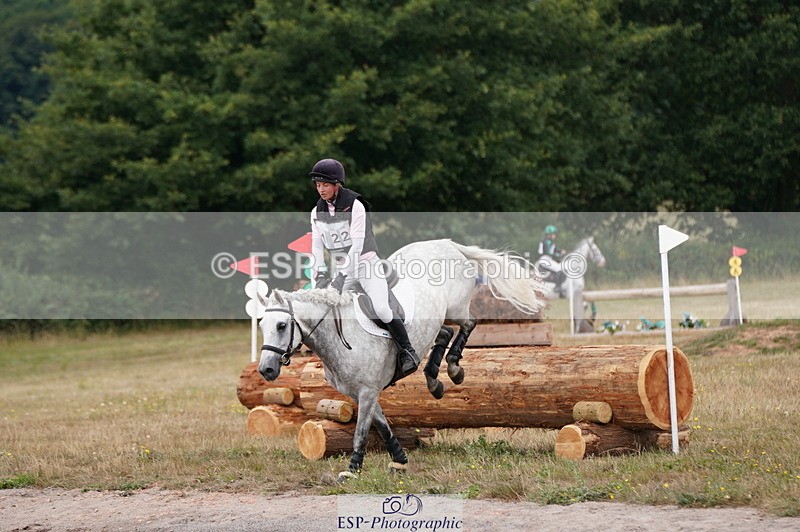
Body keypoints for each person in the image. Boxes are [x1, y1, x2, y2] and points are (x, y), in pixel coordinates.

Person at [308, 158, 420, 380]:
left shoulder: (355, 205)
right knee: (323, 306)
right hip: (341, 267)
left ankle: (408, 351)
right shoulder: (316, 212)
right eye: (318, 185)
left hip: (366, 264)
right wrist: (318, 275)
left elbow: (358, 246)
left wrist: (341, 277)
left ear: (337, 184)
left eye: (325, 185)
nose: (321, 189)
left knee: (381, 308)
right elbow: (316, 247)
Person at [536, 224, 566, 290]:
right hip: (545, 259)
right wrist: (559, 254)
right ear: (549, 234)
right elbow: (549, 252)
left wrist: (561, 251)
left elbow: (555, 250)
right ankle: (557, 287)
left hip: (546, 259)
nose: (555, 235)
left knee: (559, 267)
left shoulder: (548, 242)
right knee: (560, 269)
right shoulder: (548, 242)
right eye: (554, 234)